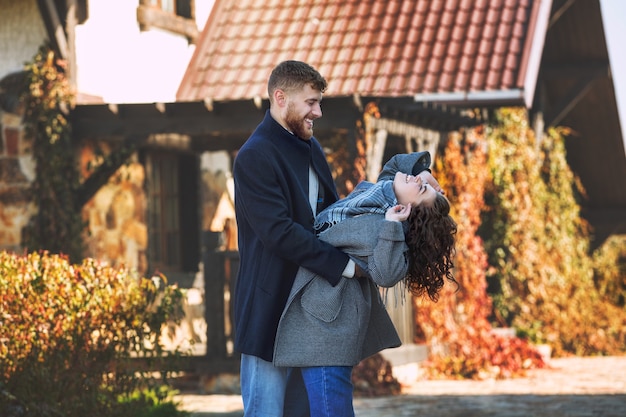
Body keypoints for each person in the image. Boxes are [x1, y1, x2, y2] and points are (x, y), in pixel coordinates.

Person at [273, 151, 457, 417]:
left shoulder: (385, 227)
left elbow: (386, 274)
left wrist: (393, 225)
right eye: (422, 184)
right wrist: (423, 173)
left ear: (407, 210)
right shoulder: (379, 197)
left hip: (329, 326)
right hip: (312, 322)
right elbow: (396, 166)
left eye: (421, 190)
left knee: (329, 411)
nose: (417, 182)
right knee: (296, 411)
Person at [232, 60, 368, 417]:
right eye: (310, 102)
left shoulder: (311, 148)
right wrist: (344, 266)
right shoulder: (254, 156)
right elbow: (279, 233)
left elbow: (331, 217)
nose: (318, 112)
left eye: (319, 102)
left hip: (310, 316)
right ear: (280, 98)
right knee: (267, 412)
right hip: (270, 312)